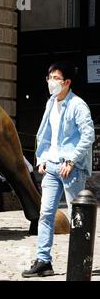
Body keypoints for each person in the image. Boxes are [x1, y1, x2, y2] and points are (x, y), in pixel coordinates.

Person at [22, 61, 95, 278]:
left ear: (67, 82)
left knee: (77, 216)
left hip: (70, 168)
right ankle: (44, 261)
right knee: (45, 214)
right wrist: (42, 158)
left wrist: (71, 160)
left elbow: (88, 135)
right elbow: (45, 134)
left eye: (56, 78)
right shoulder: (51, 103)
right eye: (49, 78)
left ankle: (81, 259)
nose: (51, 82)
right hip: (52, 167)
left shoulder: (78, 105)